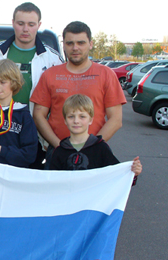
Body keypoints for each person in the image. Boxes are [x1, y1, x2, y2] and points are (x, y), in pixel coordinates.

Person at [48, 94, 142, 260]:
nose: (76, 120)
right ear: (64, 119)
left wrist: (131, 173)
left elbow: (116, 176)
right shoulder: (59, 152)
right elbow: (47, 186)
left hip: (94, 224)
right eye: (71, 116)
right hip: (67, 224)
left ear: (91, 119)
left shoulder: (100, 148)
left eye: (81, 116)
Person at [31, 21, 125, 168]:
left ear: (91, 44)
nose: (75, 48)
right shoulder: (50, 75)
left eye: (81, 43)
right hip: (56, 152)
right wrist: (60, 147)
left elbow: (116, 119)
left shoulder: (106, 74)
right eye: (70, 43)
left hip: (94, 153)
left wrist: (92, 147)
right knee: (55, 191)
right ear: (63, 45)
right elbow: (38, 115)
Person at [0, 2, 63, 168]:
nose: (26, 29)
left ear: (39, 25)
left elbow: (60, 99)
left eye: (31, 24)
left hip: (36, 136)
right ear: (13, 23)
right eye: (20, 23)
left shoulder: (53, 59)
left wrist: (50, 136)